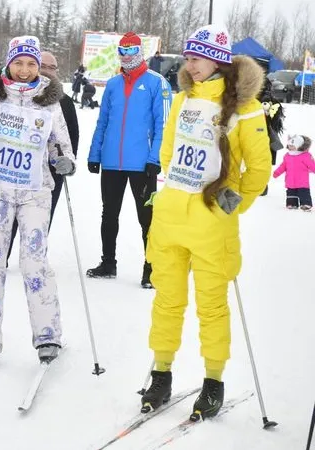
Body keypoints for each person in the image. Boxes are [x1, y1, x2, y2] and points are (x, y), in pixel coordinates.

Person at [140, 25, 271, 420]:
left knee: (211, 305)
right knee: (167, 300)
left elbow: (260, 167)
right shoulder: (182, 99)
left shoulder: (246, 108)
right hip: (171, 219)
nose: (189, 64)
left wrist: (236, 203)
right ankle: (161, 373)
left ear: (216, 58)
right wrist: (177, 189)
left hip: (212, 224)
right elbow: (167, 153)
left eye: (196, 58)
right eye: (187, 57)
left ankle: (213, 380)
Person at [0, 36, 76, 365]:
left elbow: (60, 143)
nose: (25, 70)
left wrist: (64, 159)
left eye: (32, 64)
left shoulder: (49, 100)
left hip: (35, 191)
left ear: (39, 67)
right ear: (9, 64)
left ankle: (48, 334)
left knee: (34, 262)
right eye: (19, 63)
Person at [87, 31, 172, 288]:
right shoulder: (112, 84)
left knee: (147, 217)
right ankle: (108, 262)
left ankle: (151, 269)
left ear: (140, 52)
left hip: (142, 164)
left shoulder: (157, 83)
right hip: (112, 162)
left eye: (131, 51)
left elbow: (164, 125)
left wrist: (154, 158)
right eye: (122, 51)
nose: (126, 56)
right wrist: (95, 153)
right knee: (108, 214)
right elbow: (103, 122)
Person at [6, 50, 80, 264]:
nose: (47, 71)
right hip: (18, 168)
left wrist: (67, 162)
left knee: (41, 218)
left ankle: (33, 259)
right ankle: (3, 255)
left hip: (49, 172)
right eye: (43, 66)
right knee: (10, 216)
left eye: (52, 67)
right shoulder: (18, 95)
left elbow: (72, 136)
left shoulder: (64, 101)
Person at [273, 135, 314, 210]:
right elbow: (283, 166)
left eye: (292, 146)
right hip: (290, 181)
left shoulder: (305, 155)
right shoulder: (287, 155)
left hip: (302, 181)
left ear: (299, 146)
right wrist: (277, 173)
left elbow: (312, 165)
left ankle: (306, 204)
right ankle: (292, 204)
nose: (290, 147)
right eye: (289, 145)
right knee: (291, 193)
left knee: (304, 193)